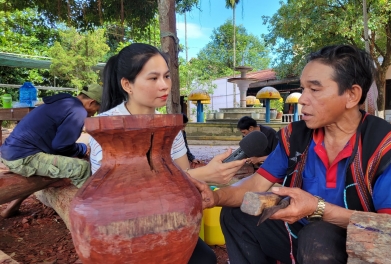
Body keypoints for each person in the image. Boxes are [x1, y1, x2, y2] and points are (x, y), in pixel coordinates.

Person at [189, 45, 391, 263]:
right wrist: (216, 198)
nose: (302, 99)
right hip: (297, 234)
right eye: (303, 89)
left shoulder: (388, 147)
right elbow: (256, 184)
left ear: (352, 95)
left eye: (314, 89)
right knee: (237, 216)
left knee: (318, 235)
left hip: (359, 247)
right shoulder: (296, 136)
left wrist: (318, 209)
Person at [88, 43, 246, 264]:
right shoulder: (107, 127)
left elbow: (183, 174)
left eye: (166, 76)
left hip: (164, 218)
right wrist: (206, 175)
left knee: (205, 259)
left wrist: (204, 176)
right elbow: (113, 194)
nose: (164, 86)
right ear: (127, 84)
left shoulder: (169, 126)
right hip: (122, 225)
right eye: (153, 78)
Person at [0, 84, 102, 218]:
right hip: (23, 157)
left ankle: (12, 207)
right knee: (82, 168)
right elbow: (61, 146)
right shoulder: (78, 111)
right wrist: (83, 149)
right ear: (92, 102)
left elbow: (58, 145)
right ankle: (94, 213)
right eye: (96, 109)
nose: (94, 114)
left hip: (12, 151)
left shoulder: (63, 101)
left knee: (55, 165)